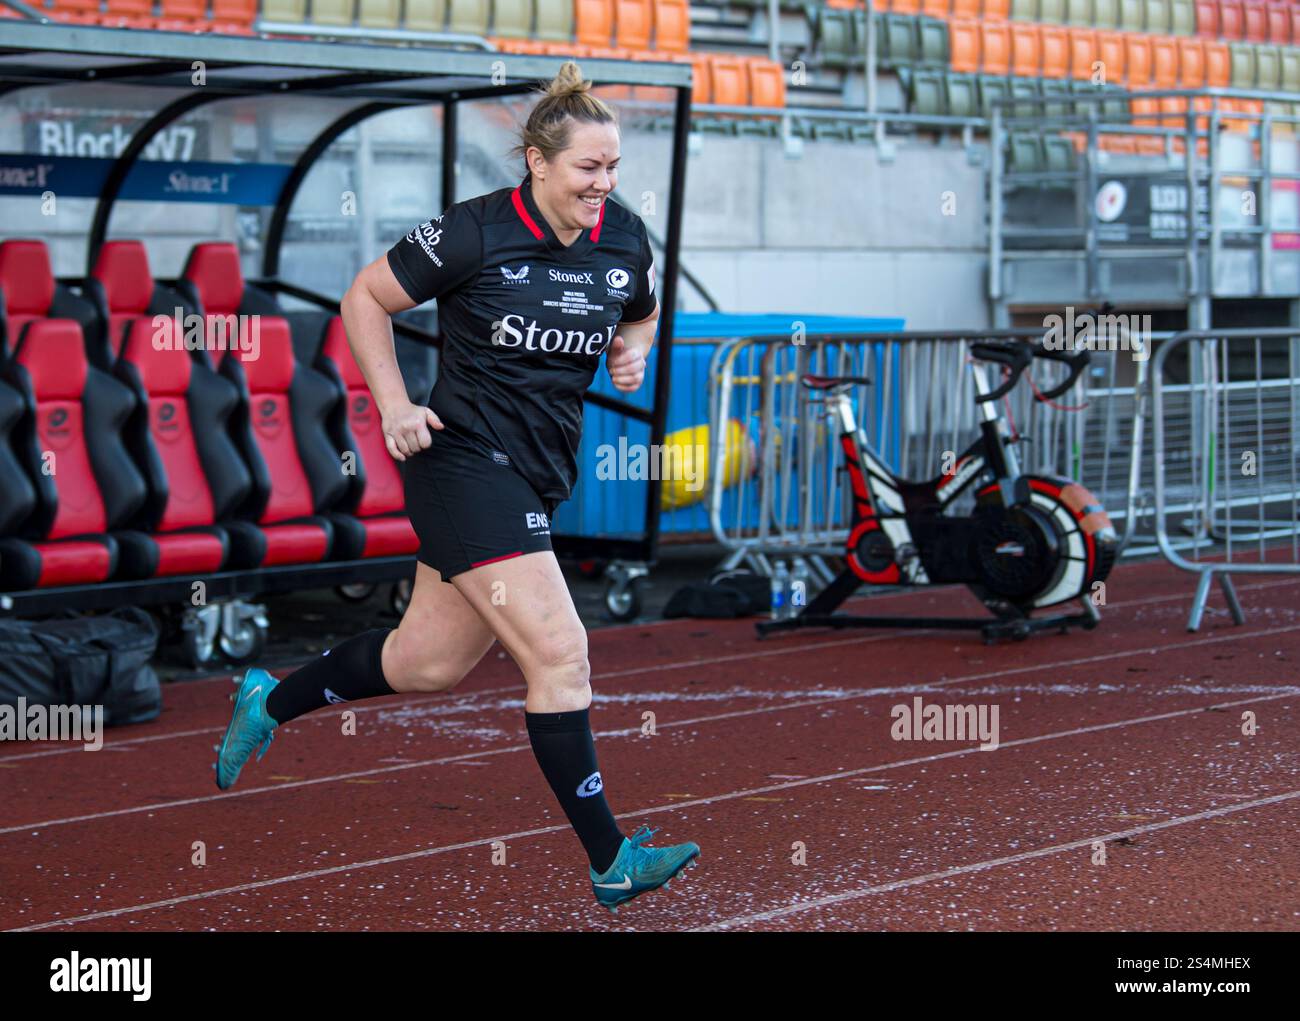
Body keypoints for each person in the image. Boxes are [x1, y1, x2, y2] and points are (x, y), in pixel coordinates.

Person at [212, 61, 699, 914]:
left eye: (614, 167)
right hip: (464, 465)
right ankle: (610, 858)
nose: (604, 183)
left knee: (424, 664)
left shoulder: (622, 236)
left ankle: (270, 696)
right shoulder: (475, 232)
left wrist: (635, 347)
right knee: (560, 654)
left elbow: (640, 305)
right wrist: (395, 402)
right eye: (588, 167)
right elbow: (365, 297)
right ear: (538, 164)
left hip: (541, 470)